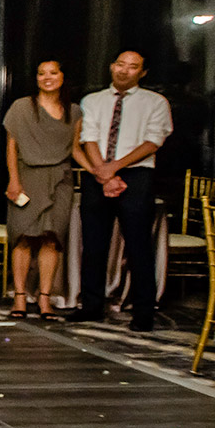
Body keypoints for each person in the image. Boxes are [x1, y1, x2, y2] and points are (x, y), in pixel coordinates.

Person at [74, 50, 172, 330]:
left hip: (137, 174)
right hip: (99, 172)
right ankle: (91, 306)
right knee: (93, 245)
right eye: (120, 64)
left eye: (132, 67)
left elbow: (153, 142)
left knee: (138, 246)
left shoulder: (155, 102)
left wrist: (114, 167)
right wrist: (104, 173)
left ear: (142, 73)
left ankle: (143, 312)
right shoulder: (92, 100)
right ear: (111, 66)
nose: (124, 70)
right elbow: (88, 137)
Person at [4, 60, 87, 320]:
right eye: (41, 73)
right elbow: (11, 148)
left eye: (53, 72)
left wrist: (98, 171)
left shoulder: (74, 112)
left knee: (52, 239)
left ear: (63, 76)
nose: (47, 77)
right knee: (24, 237)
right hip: (27, 177)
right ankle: (19, 298)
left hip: (61, 180)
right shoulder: (21, 107)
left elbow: (75, 149)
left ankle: (45, 299)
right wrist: (13, 181)